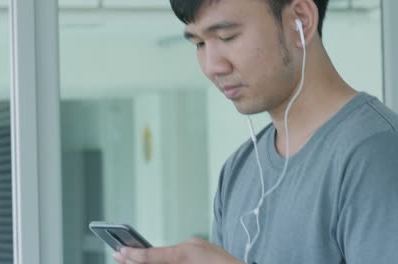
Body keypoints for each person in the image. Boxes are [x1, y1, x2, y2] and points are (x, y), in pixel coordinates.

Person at [113, 0, 398, 263]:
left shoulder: (376, 153)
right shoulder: (238, 171)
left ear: (301, 20)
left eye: (227, 37)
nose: (212, 66)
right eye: (199, 43)